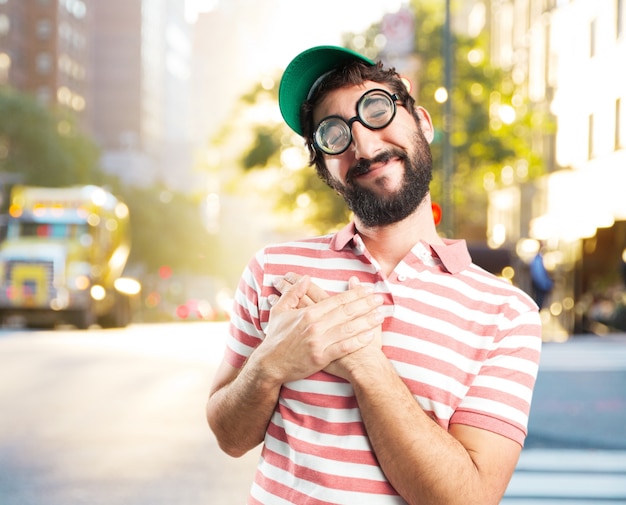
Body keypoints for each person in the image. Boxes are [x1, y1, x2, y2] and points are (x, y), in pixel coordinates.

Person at [206, 45, 542, 505]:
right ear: (325, 168)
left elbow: (470, 497)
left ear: (421, 121)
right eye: (333, 135)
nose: (363, 146)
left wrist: (365, 362)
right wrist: (271, 363)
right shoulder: (273, 270)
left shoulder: (507, 313)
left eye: (377, 110)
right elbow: (229, 436)